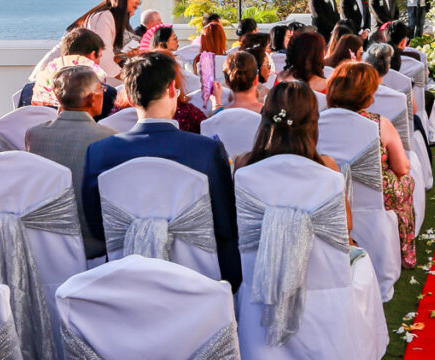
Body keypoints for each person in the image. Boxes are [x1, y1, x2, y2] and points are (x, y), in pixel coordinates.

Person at [81, 52, 241, 290]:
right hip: (198, 281)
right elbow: (226, 226)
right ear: (171, 89)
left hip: (127, 279)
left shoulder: (99, 153)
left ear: (132, 98)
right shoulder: (206, 151)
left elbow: (98, 228)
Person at [234, 81, 351, 241]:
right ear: (313, 124)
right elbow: (346, 224)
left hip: (256, 265)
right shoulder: (327, 167)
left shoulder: (243, 165)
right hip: (320, 263)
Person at [326, 62, 416, 267]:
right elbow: (402, 167)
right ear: (366, 94)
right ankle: (406, 252)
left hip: (329, 192)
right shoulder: (378, 123)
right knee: (406, 181)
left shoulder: (316, 121)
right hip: (377, 195)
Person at [25, 65, 116, 259]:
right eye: (102, 90)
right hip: (93, 243)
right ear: (93, 98)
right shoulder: (110, 138)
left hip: (45, 240)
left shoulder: (35, 134)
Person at [24, 28, 117, 118]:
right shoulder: (104, 93)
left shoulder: (29, 91)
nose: (98, 63)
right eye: (99, 57)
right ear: (92, 55)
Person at [69, 0, 141, 85]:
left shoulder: (108, 17)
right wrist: (135, 82)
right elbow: (104, 63)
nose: (139, 1)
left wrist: (124, 56)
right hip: (55, 81)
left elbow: (102, 58)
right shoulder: (104, 17)